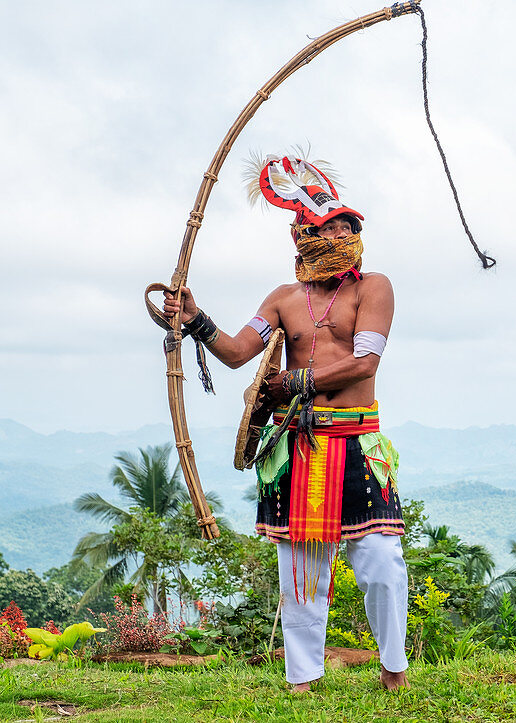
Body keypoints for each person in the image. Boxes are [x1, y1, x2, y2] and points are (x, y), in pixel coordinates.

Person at [162, 155, 409, 691]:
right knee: (299, 571)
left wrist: (293, 385)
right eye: (324, 227)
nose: (337, 234)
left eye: (345, 226)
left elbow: (365, 364)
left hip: (355, 441)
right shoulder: (282, 299)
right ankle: (303, 678)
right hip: (296, 448)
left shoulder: (374, 288)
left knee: (382, 562)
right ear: (301, 235)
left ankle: (394, 671)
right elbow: (235, 353)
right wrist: (194, 319)